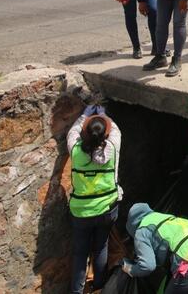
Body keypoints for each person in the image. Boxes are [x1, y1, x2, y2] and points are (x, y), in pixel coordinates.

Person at [66, 105, 122, 293]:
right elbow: (115, 131)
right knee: (101, 248)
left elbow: (72, 132)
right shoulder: (112, 149)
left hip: (81, 212)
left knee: (80, 253)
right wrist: (105, 115)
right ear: (104, 134)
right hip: (107, 209)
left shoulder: (75, 150)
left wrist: (84, 115)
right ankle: (99, 287)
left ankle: (77, 291)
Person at [122, 203, 188, 294]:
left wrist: (131, 269)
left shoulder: (141, 231)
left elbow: (147, 266)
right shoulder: (161, 217)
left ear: (131, 225)